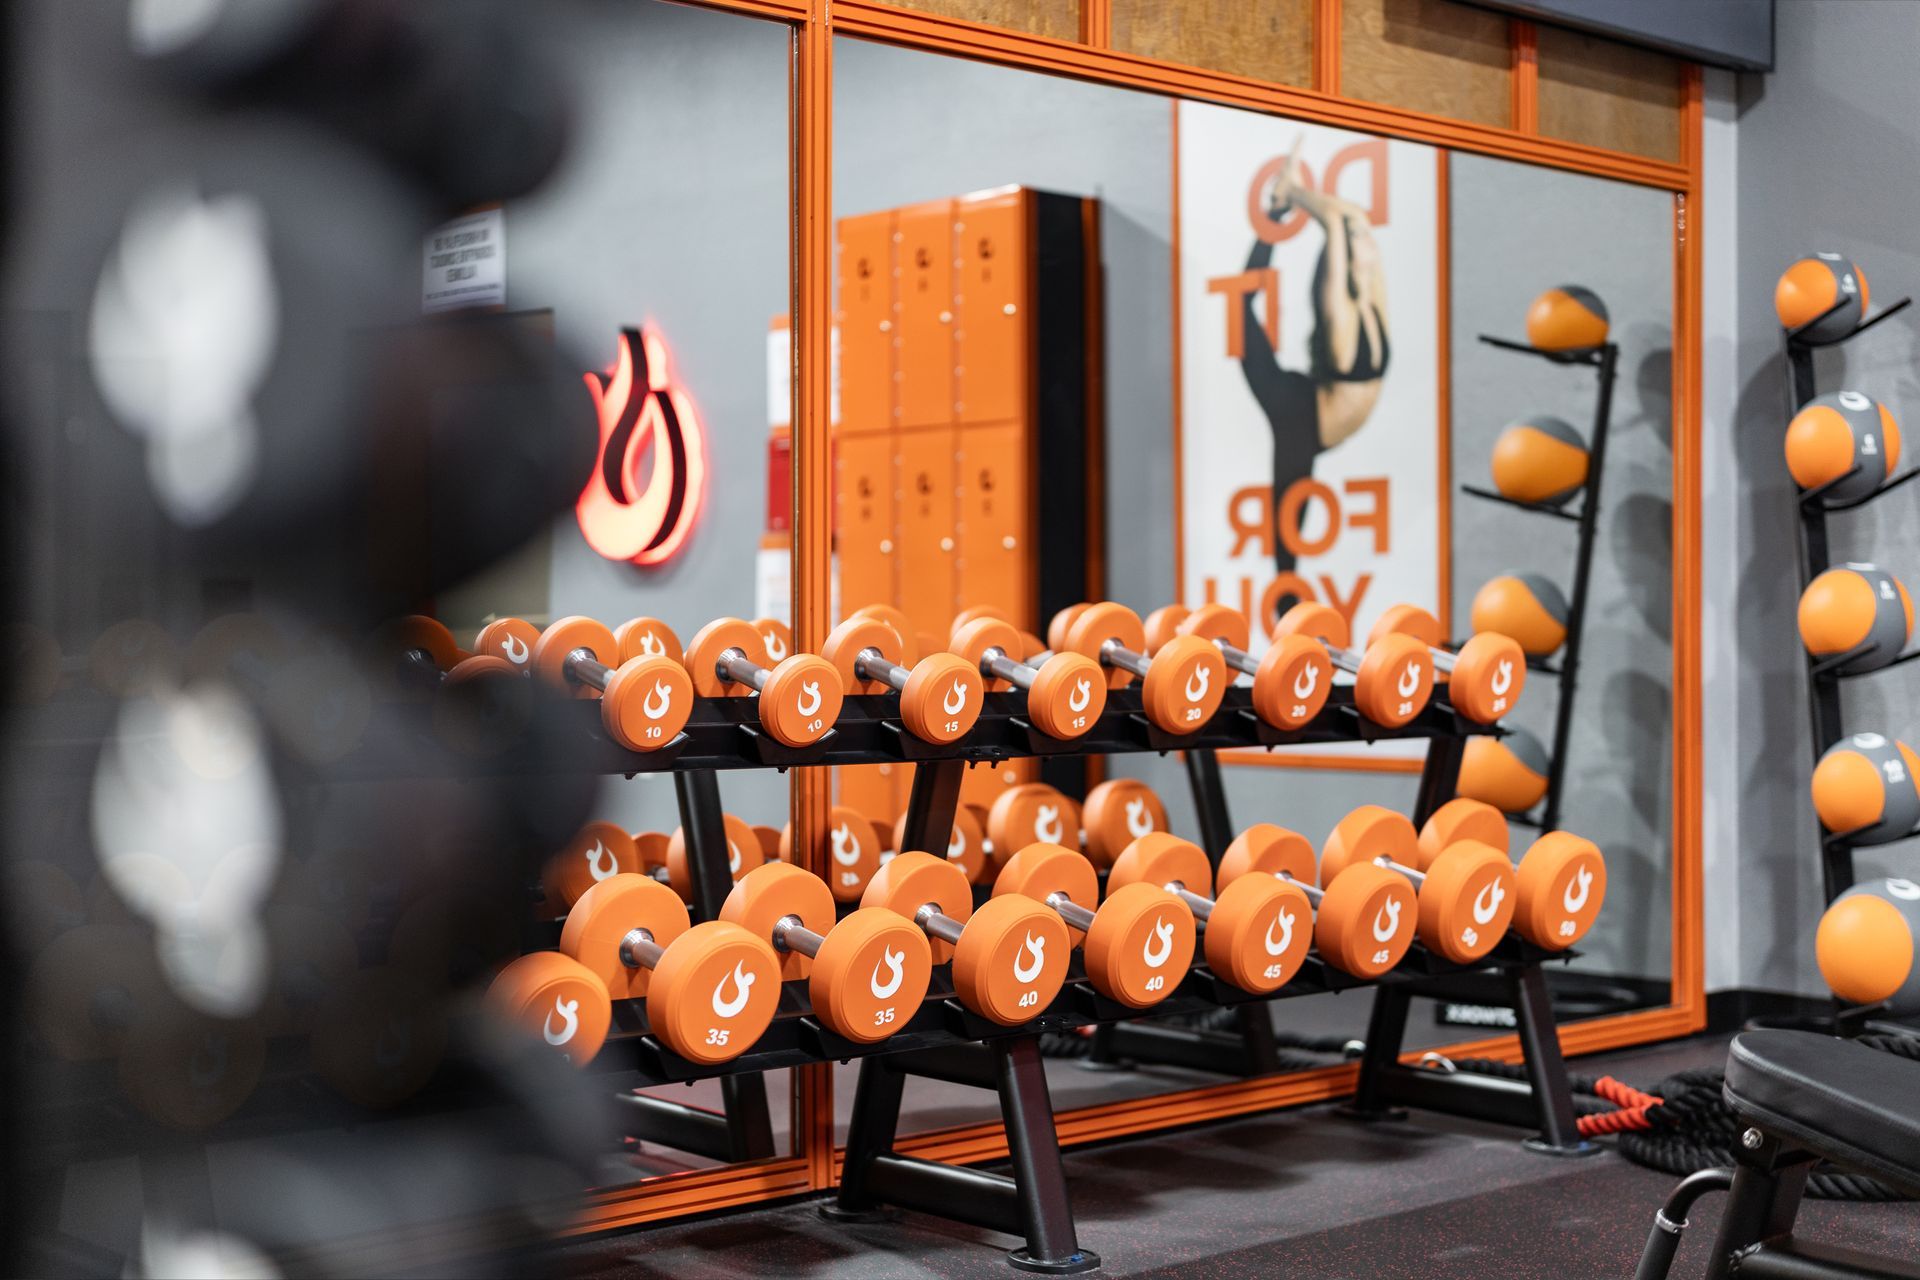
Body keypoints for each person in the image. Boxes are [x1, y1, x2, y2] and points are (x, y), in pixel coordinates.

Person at [1239, 141, 1391, 584]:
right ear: (1344, 254)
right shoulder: (1340, 308)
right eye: (1359, 238)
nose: (1369, 240)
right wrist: (1294, 198)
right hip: (1300, 417)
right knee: (1286, 550)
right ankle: (1274, 216)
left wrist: (1297, 191)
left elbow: (1350, 217)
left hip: (1309, 400)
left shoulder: (1371, 295)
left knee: (1288, 541)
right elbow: (1338, 223)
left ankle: (1278, 208)